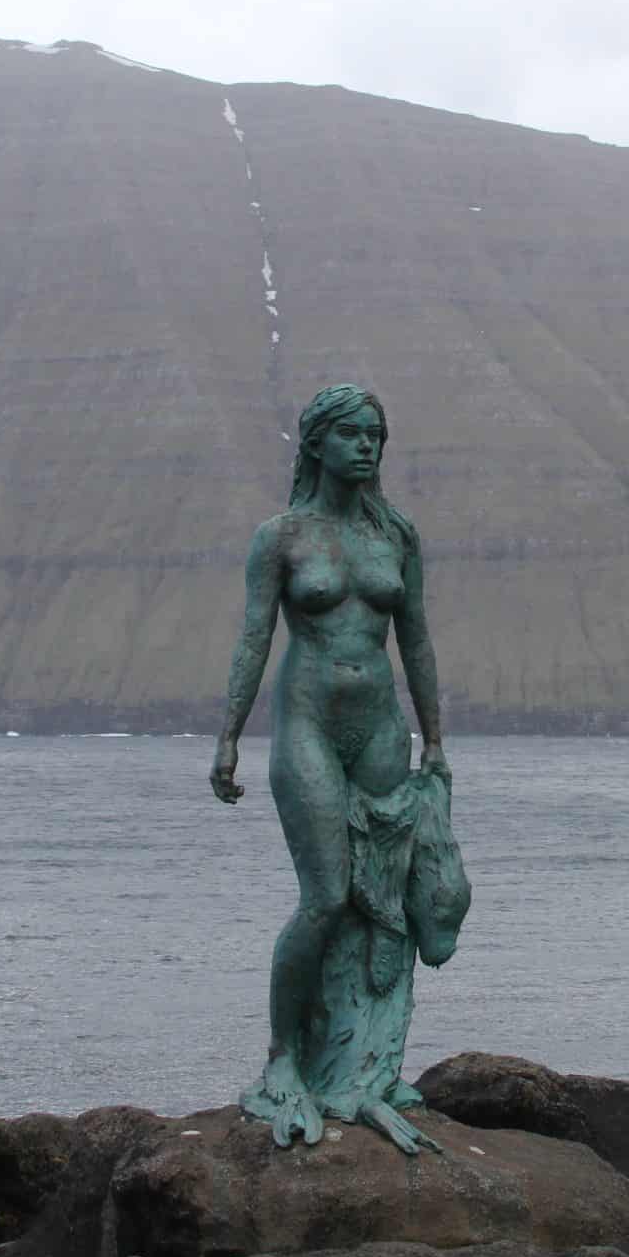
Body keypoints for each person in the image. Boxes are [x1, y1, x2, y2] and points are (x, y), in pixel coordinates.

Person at [212, 384, 460, 1153]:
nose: (367, 447)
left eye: (376, 435)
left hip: (381, 727)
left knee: (380, 902)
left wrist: (435, 738)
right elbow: (254, 637)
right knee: (325, 896)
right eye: (353, 433)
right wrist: (229, 735)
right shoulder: (281, 537)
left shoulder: (397, 535)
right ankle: (285, 1057)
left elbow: (415, 638)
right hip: (310, 724)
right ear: (317, 442)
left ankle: (365, 1064)